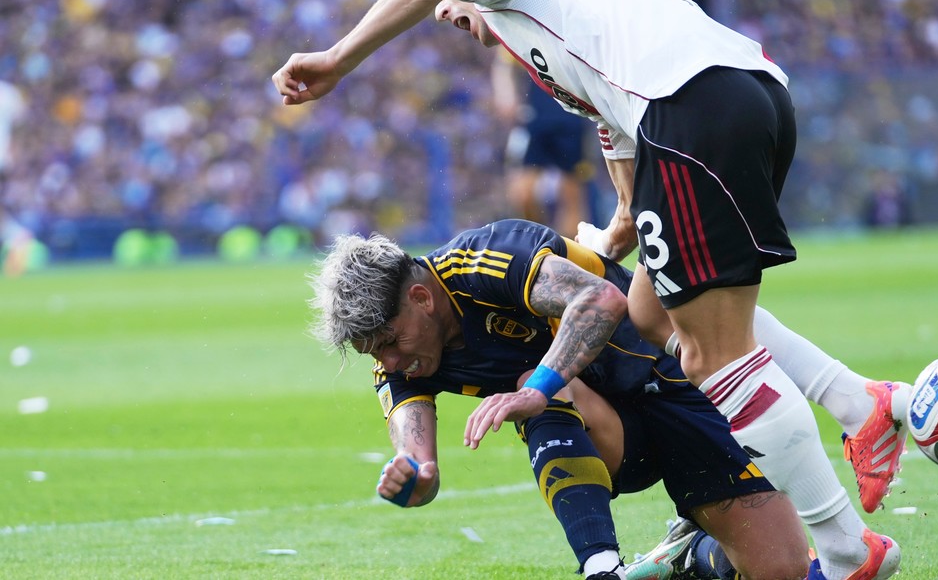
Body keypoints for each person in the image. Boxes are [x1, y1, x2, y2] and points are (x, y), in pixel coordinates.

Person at [273, 0, 904, 576]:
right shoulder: (556, 36)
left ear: (418, 298)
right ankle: (659, 553)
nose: (446, 14)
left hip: (688, 108)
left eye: (388, 342)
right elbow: (618, 136)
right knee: (655, 311)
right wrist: (621, 226)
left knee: (708, 358)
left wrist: (337, 59)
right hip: (741, 93)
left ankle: (849, 531)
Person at [309, 219, 813, 579]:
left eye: (391, 342)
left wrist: (535, 390)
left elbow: (602, 299)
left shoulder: (485, 260)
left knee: (782, 570)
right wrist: (412, 482)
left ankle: (694, 557)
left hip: (678, 383)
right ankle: (602, 568)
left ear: (421, 300)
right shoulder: (399, 365)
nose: (390, 362)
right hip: (608, 435)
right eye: (375, 353)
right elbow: (421, 469)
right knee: (535, 385)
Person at [492, 51, 594, 238]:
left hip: (573, 118)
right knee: (522, 193)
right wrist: (506, 94)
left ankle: (568, 249)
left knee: (571, 194)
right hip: (534, 117)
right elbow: (504, 63)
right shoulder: (529, 32)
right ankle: (536, 241)